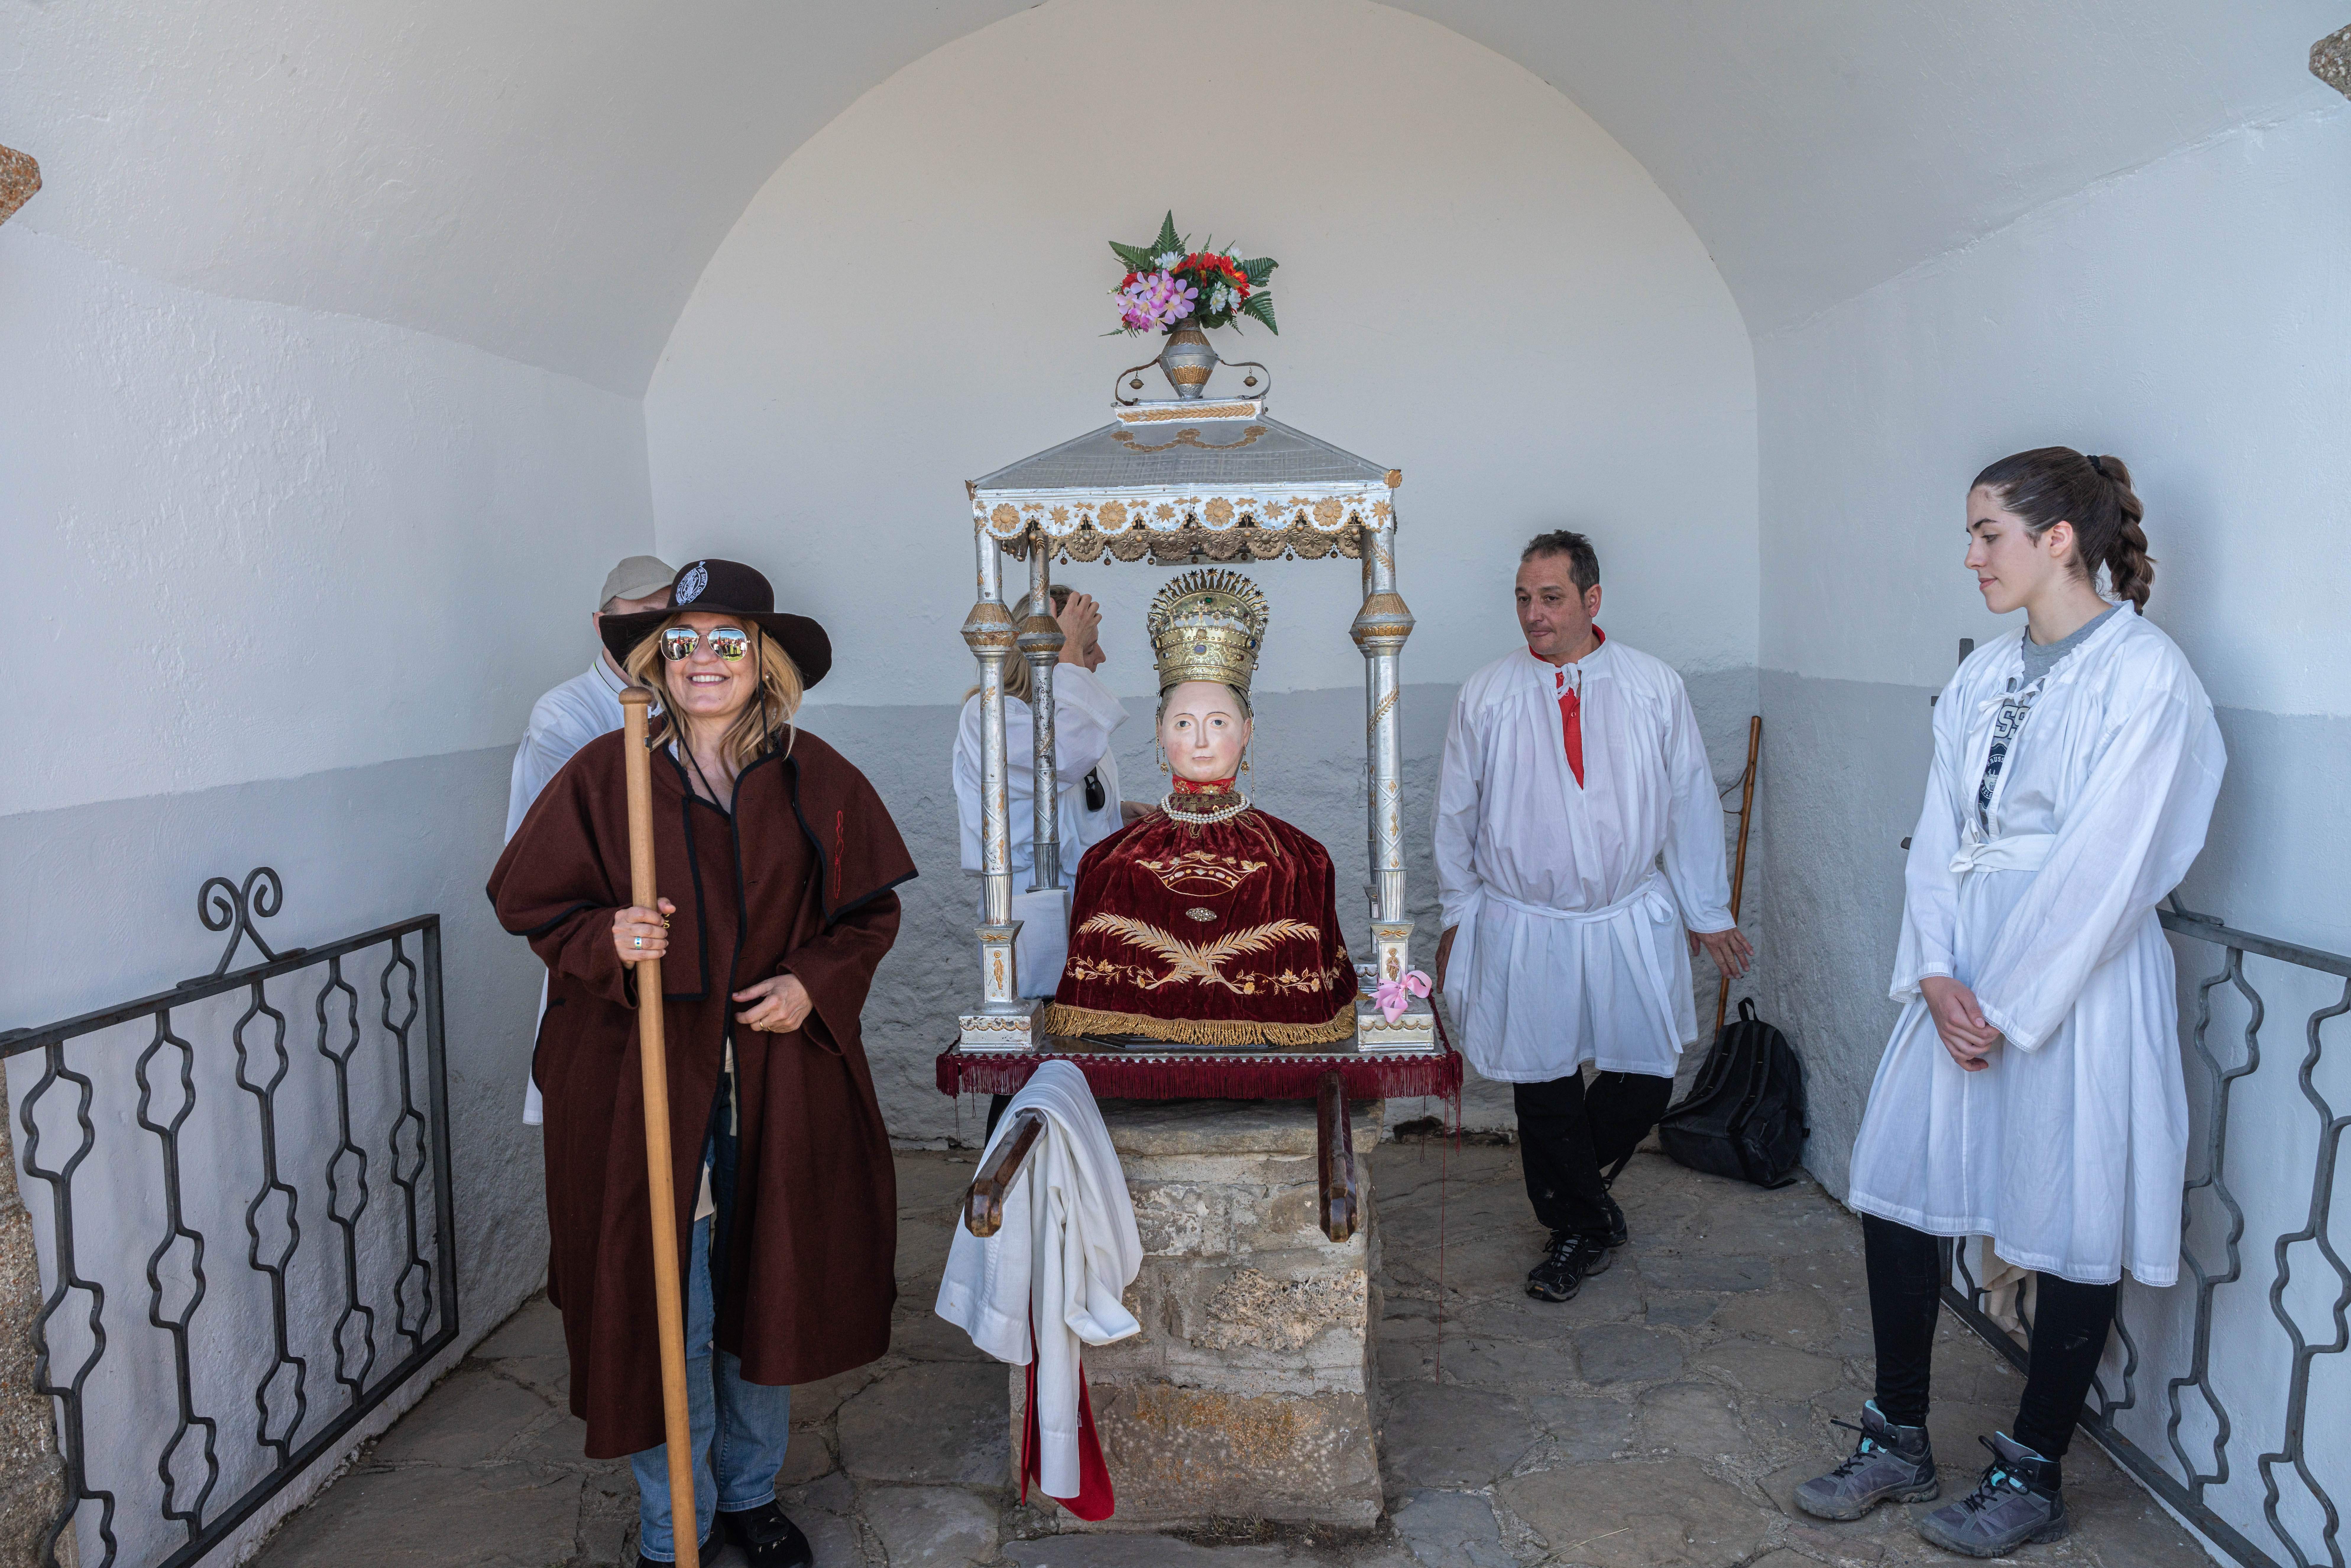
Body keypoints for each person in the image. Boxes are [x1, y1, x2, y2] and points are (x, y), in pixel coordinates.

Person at [1795, 450, 2223, 1555]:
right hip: (1960, 974)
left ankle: (2032, 1469)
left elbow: (2112, 864)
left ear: (2060, 539)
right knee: (1896, 1179)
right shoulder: (1987, 673)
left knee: (2074, 1202)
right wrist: (1937, 975)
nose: (1972, 553)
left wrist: (2007, 1001)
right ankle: (1896, 1435)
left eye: (1989, 531)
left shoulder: (2146, 676)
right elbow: (1939, 831)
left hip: (2077, 981)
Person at [488, 559, 915, 1568]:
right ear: (658, 661)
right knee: (660, 1298)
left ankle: (752, 1494)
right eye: (683, 645)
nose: (705, 662)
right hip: (639, 1080)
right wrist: (608, 936)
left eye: (729, 643)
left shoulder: (820, 777)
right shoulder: (608, 773)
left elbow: (869, 913)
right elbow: (530, 903)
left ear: (764, 663)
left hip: (773, 1082)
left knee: (764, 1285)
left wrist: (813, 980)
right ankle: (670, 1515)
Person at [1433, 531, 1751, 1303]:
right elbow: (1454, 814)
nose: (1533, 615)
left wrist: (1708, 911)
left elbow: (1687, 802)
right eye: (1522, 598)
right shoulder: (1487, 693)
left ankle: (1579, 1204)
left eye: (1550, 598)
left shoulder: (1652, 686)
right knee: (1542, 1082)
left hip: (1624, 913)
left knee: (1643, 1077)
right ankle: (1580, 1226)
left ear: (1591, 600)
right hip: (1523, 917)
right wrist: (1456, 916)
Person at [1036, 568, 1358, 1046]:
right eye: (1184, 723)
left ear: (1248, 731)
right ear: (1161, 730)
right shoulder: (1109, 865)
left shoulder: (1300, 861)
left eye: (1219, 722)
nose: (1202, 742)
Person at [506, 553, 674, 1125]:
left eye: (668, 618)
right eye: (640, 617)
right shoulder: (563, 714)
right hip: (602, 937)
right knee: (615, 1112)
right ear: (603, 624)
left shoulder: (688, 698)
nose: (656, 632)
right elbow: (592, 841)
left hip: (682, 935)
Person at [952, 585, 1144, 997]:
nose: (1101, 659)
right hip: (1032, 903)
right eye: (1090, 648)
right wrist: (1068, 656)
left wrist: (1117, 814)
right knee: (1051, 1028)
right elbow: (1058, 759)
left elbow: (1061, 793)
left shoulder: (1068, 710)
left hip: (1085, 897)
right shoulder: (990, 713)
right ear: (1044, 657)